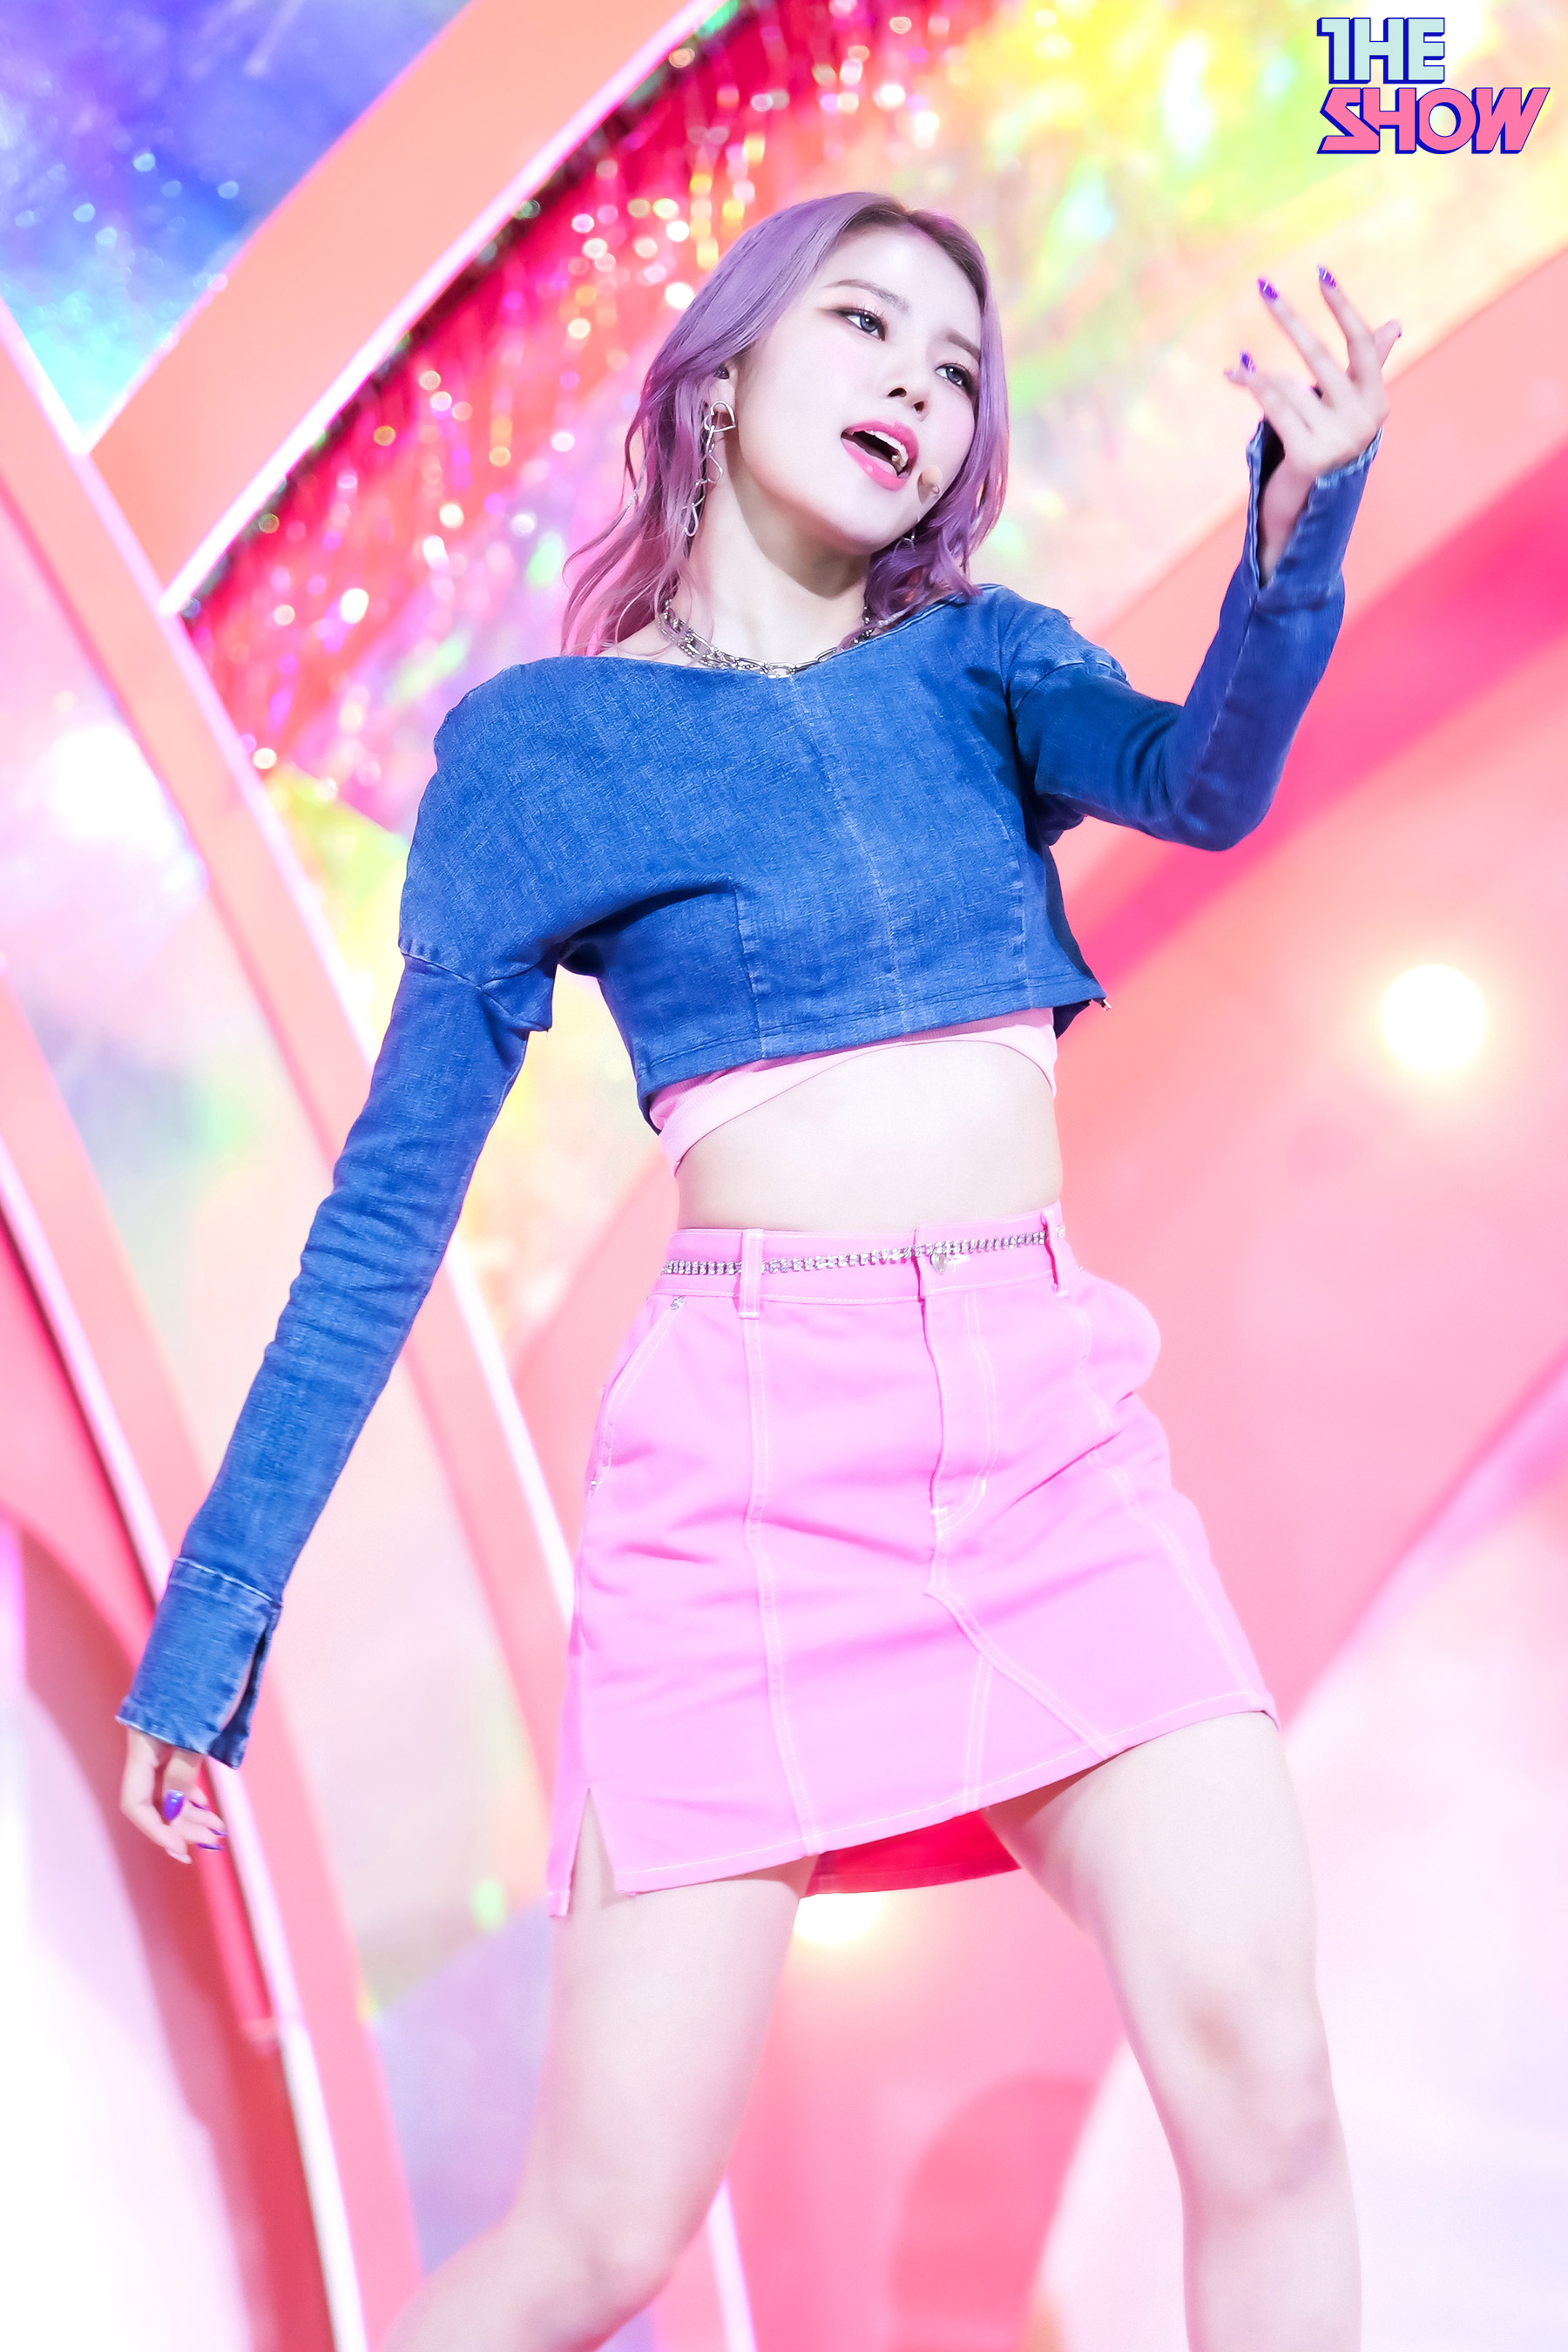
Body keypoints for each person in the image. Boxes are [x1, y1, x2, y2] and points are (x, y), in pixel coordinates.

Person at [119, 192, 1394, 2350]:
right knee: (599, 2235)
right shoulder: (539, 751)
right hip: (751, 1483)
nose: (919, 382)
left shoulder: (982, 666)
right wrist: (217, 1617)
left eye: (956, 367)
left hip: (1046, 1445)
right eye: (867, 326)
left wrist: (1303, 527)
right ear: (720, 375)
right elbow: (384, 1216)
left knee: (1268, 2089)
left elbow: (1208, 777)